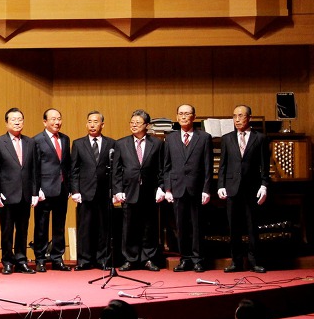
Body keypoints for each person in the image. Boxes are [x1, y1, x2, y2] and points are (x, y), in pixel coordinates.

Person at [217, 104, 270, 273]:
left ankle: (254, 261)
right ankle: (236, 262)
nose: (237, 119)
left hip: (252, 188)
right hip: (232, 188)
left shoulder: (260, 138)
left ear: (249, 118)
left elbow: (264, 166)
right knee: (234, 227)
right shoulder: (227, 138)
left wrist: (264, 185)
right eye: (234, 116)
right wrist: (220, 185)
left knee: (252, 226)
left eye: (241, 116)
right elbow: (223, 165)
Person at [113, 110, 165, 271]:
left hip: (150, 191)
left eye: (138, 122)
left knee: (150, 226)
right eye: (132, 122)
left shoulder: (157, 144)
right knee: (129, 226)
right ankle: (130, 258)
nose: (134, 125)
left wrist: (161, 187)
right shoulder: (121, 143)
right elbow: (116, 170)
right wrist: (118, 190)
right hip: (129, 190)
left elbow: (162, 169)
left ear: (147, 126)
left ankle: (148, 258)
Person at [163, 104, 213, 272]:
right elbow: (166, 166)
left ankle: (198, 259)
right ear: (177, 117)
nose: (183, 117)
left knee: (197, 225)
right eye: (181, 114)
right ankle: (184, 258)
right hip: (177, 188)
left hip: (197, 188)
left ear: (194, 117)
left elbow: (208, 166)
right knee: (181, 226)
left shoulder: (204, 137)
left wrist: (206, 189)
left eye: (187, 114)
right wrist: (168, 188)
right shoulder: (170, 138)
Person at [0, 108, 37, 274]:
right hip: (6, 194)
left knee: (23, 230)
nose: (17, 122)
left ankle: (21, 260)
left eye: (20, 119)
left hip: (25, 194)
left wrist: (34, 192)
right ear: (6, 123)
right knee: (7, 230)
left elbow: (34, 169)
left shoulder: (30, 142)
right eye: (13, 119)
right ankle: (7, 262)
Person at [69, 111, 114, 271]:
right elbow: (74, 170)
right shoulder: (78, 143)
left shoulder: (111, 143)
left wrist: (114, 191)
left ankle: (103, 259)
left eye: (96, 122)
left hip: (104, 193)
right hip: (85, 193)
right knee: (85, 228)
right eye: (89, 121)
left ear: (102, 124)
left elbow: (115, 169)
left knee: (104, 229)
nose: (92, 125)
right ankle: (84, 260)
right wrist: (75, 190)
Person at [32, 108, 71, 272]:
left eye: (59, 118)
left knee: (59, 226)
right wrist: (37, 189)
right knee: (41, 226)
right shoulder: (37, 140)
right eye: (53, 119)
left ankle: (57, 258)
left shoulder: (65, 139)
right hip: (44, 190)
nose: (57, 122)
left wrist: (70, 187)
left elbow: (66, 164)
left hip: (62, 188)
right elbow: (34, 167)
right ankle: (40, 259)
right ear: (45, 122)